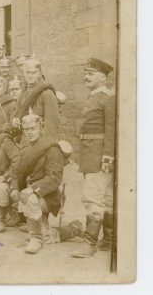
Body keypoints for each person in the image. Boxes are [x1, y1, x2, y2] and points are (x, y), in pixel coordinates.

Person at [72, 58, 116, 258]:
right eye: (85, 72)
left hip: (99, 156)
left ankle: (90, 244)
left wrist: (107, 156)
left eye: (91, 73)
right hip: (92, 154)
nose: (86, 76)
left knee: (93, 199)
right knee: (105, 199)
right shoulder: (94, 97)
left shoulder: (107, 98)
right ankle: (108, 240)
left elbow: (111, 130)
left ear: (104, 77)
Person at [14, 109, 64, 254]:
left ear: (41, 128)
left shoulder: (52, 148)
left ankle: (36, 239)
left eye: (33, 129)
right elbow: (17, 172)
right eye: (26, 129)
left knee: (29, 198)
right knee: (23, 196)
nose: (29, 132)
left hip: (49, 195)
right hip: (32, 193)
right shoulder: (25, 149)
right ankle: (44, 230)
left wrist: (33, 188)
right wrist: (15, 188)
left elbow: (55, 177)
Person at [15, 57, 60, 141]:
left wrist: (47, 144)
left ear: (39, 73)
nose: (30, 76)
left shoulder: (47, 94)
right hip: (25, 142)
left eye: (33, 73)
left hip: (41, 141)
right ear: (24, 73)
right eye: (27, 72)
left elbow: (52, 125)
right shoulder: (22, 95)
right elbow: (17, 116)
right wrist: (15, 121)